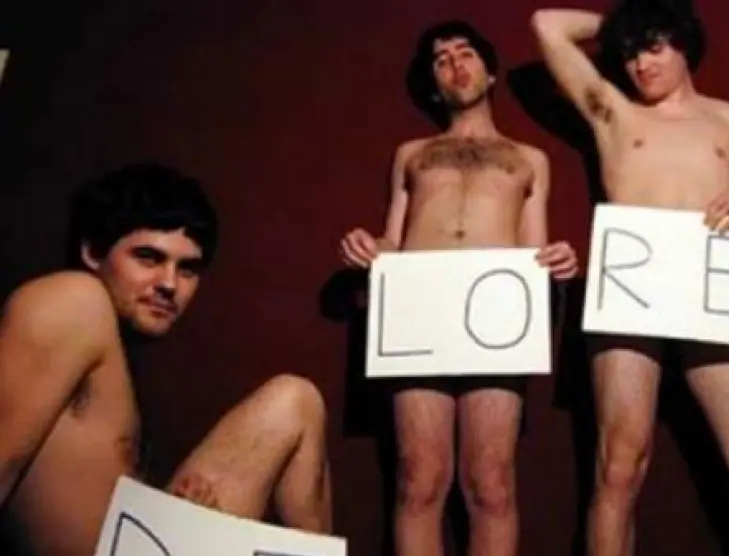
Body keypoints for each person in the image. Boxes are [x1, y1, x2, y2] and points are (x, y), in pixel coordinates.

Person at [531, 1, 729, 555]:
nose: (640, 64)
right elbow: (546, 25)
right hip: (633, 288)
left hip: (714, 287)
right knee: (619, 464)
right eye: (630, 53)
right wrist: (626, 26)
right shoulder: (613, 111)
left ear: (684, 45)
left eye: (653, 48)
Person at [0, 164, 334, 556]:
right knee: (294, 400)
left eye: (187, 268)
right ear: (92, 251)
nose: (169, 284)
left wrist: (178, 506)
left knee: (296, 403)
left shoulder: (110, 348)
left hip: (136, 547)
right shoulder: (72, 299)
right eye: (148, 258)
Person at [339, 20, 577, 556]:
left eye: (465, 53)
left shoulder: (529, 158)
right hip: (419, 313)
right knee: (419, 479)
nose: (455, 64)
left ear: (489, 73)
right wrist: (368, 247)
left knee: (490, 484)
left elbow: (533, 249)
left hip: (498, 315)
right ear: (433, 84)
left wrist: (555, 259)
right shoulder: (412, 153)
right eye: (441, 60)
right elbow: (393, 239)